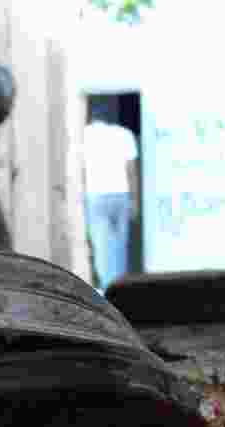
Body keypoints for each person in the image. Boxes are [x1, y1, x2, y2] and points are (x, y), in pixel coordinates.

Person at [82, 100, 139, 291]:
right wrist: (134, 200)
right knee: (120, 245)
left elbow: (78, 170)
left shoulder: (84, 135)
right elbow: (131, 170)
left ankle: (108, 290)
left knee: (100, 246)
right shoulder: (124, 134)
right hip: (121, 196)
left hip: (96, 196)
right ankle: (121, 287)